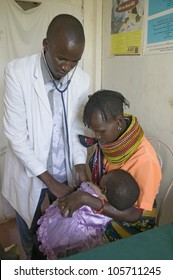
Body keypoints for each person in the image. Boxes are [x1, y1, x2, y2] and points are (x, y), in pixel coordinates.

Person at [2, 14, 90, 259]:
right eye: (61, 58)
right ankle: (32, 261)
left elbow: (75, 127)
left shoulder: (81, 79)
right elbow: (16, 135)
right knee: (29, 227)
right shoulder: (17, 73)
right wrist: (50, 182)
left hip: (63, 167)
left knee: (62, 226)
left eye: (74, 61)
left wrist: (80, 160)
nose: (67, 67)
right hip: (29, 170)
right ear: (45, 45)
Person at [58, 89, 162, 238]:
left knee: (80, 235)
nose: (96, 137)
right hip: (107, 198)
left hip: (133, 219)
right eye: (94, 131)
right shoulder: (112, 139)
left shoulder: (145, 160)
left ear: (119, 122)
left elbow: (134, 215)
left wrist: (86, 198)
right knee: (68, 222)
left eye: (100, 131)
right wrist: (85, 187)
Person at [36, 169, 140, 259]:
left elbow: (86, 184)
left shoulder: (90, 190)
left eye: (107, 175)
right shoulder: (109, 214)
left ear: (104, 190)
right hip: (82, 239)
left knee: (54, 245)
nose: (104, 174)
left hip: (64, 228)